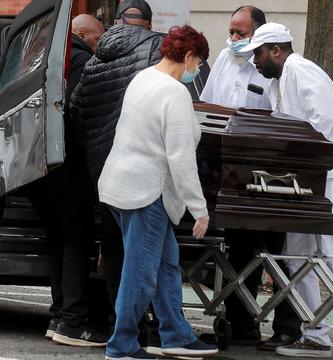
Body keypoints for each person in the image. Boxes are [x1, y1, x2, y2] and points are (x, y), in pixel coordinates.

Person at [238, 22, 333, 358]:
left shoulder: (303, 71)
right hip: (307, 181)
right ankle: (315, 334)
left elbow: (322, 125)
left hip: (331, 178)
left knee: (330, 250)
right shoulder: (278, 83)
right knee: (297, 256)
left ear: (276, 50)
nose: (253, 60)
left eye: (257, 53)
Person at [98, 25, 218, 360]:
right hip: (147, 192)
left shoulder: (143, 78)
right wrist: (199, 208)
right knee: (142, 271)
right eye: (198, 63)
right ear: (190, 56)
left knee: (165, 264)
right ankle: (122, 345)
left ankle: (175, 334)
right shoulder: (175, 93)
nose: (196, 71)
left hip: (120, 184)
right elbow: (179, 157)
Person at [200, 6, 302, 350]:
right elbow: (209, 106)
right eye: (231, 32)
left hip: (272, 169)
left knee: (278, 252)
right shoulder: (225, 64)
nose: (233, 39)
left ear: (259, 35)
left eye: (241, 33)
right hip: (232, 171)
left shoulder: (274, 68)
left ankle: (288, 325)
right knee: (240, 250)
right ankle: (242, 324)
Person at [69, 0, 164, 341]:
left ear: (116, 25)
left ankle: (122, 325)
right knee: (150, 249)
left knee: (114, 248)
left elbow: (77, 112)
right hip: (147, 171)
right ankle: (151, 327)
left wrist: (97, 152)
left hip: (106, 172)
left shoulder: (96, 59)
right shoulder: (157, 53)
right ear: (148, 24)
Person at [31, 14, 107, 347]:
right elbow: (84, 115)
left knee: (58, 240)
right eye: (98, 39)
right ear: (82, 35)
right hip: (70, 167)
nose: (99, 46)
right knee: (77, 241)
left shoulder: (40, 57)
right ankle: (73, 323)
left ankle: (59, 314)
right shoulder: (81, 62)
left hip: (38, 169)